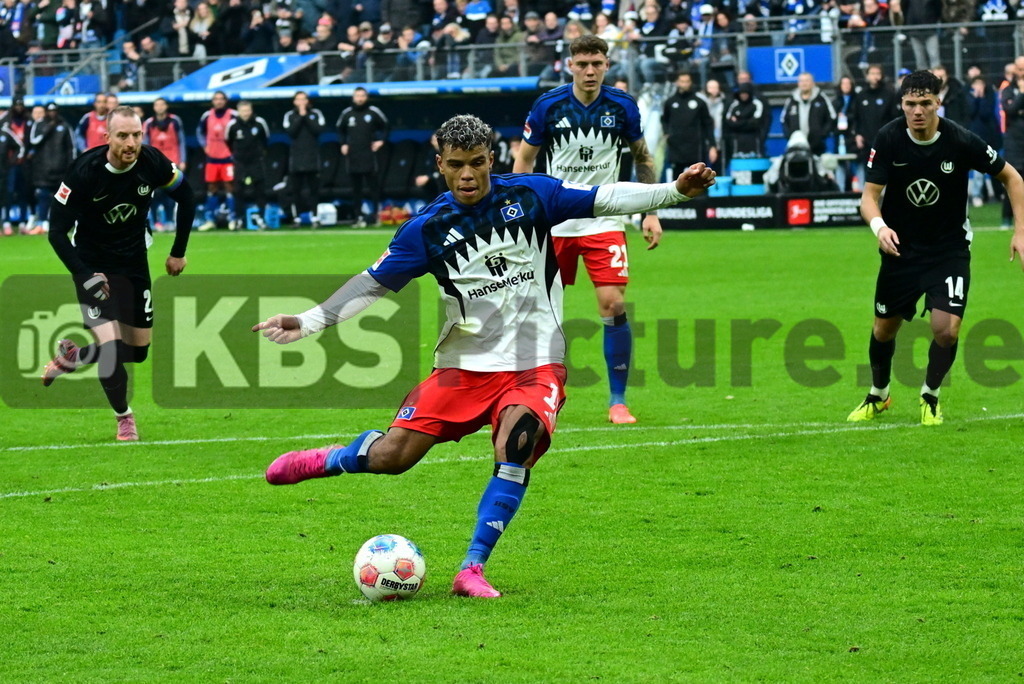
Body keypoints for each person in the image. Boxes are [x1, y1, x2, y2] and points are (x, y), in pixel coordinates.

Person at [252, 113, 716, 598]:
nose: (468, 175)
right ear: (440, 165)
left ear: (491, 158)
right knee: (392, 458)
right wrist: (308, 321)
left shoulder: (532, 196)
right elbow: (372, 285)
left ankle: (471, 568)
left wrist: (674, 190)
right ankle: (332, 459)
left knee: (516, 444)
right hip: (463, 368)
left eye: (477, 163)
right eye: (457, 165)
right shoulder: (426, 230)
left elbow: (605, 197)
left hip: (535, 363)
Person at [848, 70, 1024, 426]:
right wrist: (879, 228)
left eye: (925, 103)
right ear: (902, 104)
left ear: (937, 103)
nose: (917, 111)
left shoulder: (959, 140)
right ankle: (878, 394)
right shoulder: (889, 137)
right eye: (911, 104)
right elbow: (869, 197)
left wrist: (1020, 231)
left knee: (946, 329)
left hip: (948, 251)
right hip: (901, 250)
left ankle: (930, 395)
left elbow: (1013, 178)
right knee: (884, 329)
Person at [513, 35, 662, 425]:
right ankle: (531, 393)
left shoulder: (622, 106)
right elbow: (524, 162)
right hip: (556, 221)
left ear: (607, 65)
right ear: (570, 65)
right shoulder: (548, 106)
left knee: (613, 304)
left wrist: (650, 211)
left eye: (597, 63)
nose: (590, 70)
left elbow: (642, 159)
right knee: (539, 310)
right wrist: (517, 213)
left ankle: (617, 401)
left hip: (604, 218)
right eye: (583, 64)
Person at [41, 106, 197, 440]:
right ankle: (124, 417)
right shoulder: (84, 171)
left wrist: (178, 251)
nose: (131, 143)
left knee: (138, 351)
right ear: (106, 136)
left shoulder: (153, 162)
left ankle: (75, 356)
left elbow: (187, 196)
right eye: (123, 135)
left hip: (134, 262)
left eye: (137, 135)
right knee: (111, 347)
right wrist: (85, 275)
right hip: (93, 266)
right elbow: (56, 232)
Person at [337, 87, 388, 227]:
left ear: (366, 97)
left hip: (369, 155)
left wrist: (380, 141)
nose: (360, 98)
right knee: (356, 189)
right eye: (357, 96)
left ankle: (375, 216)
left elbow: (386, 127)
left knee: (373, 187)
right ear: (353, 97)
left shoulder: (373, 112)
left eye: (362, 95)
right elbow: (340, 130)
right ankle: (358, 217)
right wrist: (343, 144)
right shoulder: (347, 113)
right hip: (353, 156)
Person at [26, 103, 75, 236]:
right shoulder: (40, 124)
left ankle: (63, 224)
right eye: (50, 111)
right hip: (43, 169)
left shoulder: (64, 126)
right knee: (42, 196)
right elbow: (34, 141)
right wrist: (48, 128)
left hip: (61, 169)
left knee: (63, 198)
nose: (52, 113)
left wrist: (71, 166)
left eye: (55, 111)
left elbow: (71, 148)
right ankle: (42, 223)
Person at [142, 97, 187, 232]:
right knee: (155, 194)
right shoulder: (149, 123)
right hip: (155, 163)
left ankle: (169, 221)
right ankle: (156, 221)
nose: (160, 107)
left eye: (162, 104)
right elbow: (146, 144)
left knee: (171, 192)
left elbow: (181, 141)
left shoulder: (175, 121)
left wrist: (183, 160)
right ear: (154, 107)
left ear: (166, 106)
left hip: (172, 162)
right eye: (157, 105)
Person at [225, 100, 271, 230]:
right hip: (240, 163)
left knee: (260, 190)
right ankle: (239, 219)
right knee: (238, 191)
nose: (246, 113)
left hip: (257, 162)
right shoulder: (233, 125)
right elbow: (228, 141)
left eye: (248, 110)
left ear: (251, 111)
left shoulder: (260, 123)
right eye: (243, 111)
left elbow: (266, 140)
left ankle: (261, 219)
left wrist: (260, 154)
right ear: (238, 111)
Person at [662, 71, 718, 176]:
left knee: (697, 180)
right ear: (677, 82)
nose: (684, 84)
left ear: (691, 82)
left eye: (687, 81)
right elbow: (664, 120)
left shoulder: (699, 102)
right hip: (676, 147)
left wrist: (712, 145)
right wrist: (667, 133)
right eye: (682, 81)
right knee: (677, 181)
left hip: (695, 149)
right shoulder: (670, 102)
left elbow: (708, 124)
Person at [283, 91, 325, 227]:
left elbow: (318, 130)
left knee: (314, 190)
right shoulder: (289, 115)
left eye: (304, 99)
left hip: (312, 158)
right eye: (298, 100)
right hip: (296, 159)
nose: (301, 102)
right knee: (296, 190)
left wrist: (305, 115)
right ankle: (298, 218)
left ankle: (315, 216)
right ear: (294, 102)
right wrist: (300, 116)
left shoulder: (316, 113)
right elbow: (291, 132)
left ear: (308, 101)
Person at [196, 90, 236, 231]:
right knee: (212, 188)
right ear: (213, 101)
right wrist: (204, 146)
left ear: (225, 101)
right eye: (216, 99)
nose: (218, 101)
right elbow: (199, 132)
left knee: (229, 187)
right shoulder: (207, 116)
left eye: (221, 99)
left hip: (227, 158)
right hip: (212, 158)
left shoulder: (233, 115)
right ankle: (210, 219)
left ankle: (232, 219)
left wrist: (233, 149)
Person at [781, 72, 837, 156]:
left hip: (817, 148)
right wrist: (790, 136)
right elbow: (783, 120)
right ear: (798, 83)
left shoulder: (821, 99)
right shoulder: (791, 100)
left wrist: (822, 135)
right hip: (796, 147)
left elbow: (832, 117)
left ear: (812, 83)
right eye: (801, 81)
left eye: (807, 81)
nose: (804, 84)